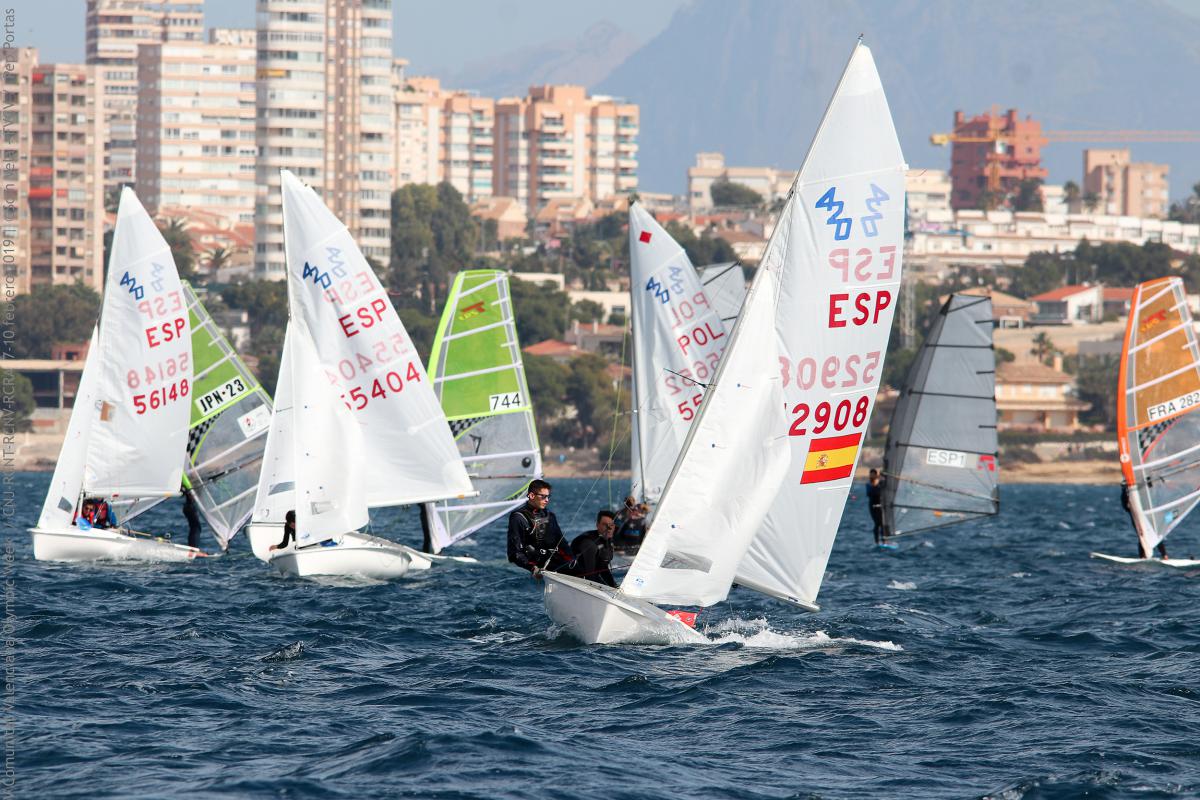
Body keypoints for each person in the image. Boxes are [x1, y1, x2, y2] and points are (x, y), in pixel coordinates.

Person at [507, 479, 573, 579]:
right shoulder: (518, 517)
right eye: (543, 496)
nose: (547, 500)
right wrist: (533, 568)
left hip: (555, 562)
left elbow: (562, 543)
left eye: (548, 496)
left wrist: (572, 561)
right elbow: (514, 553)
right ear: (532, 496)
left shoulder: (550, 516)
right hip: (536, 566)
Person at [571, 510, 617, 587]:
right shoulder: (589, 544)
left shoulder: (608, 541)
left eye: (611, 525)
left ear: (614, 527)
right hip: (573, 580)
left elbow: (603, 569)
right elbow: (589, 575)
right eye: (605, 525)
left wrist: (614, 586)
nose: (609, 528)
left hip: (590, 578)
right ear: (597, 525)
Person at [1122, 481, 1167, 559]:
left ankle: (1164, 555)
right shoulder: (1125, 494)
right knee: (1142, 536)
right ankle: (1142, 557)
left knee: (1154, 534)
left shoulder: (1140, 491)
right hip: (1137, 518)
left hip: (1147, 516)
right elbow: (1126, 507)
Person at [181, 478, 202, 549]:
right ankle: (193, 548)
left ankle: (192, 547)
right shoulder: (189, 484)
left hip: (188, 506)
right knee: (196, 527)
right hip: (190, 507)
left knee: (195, 527)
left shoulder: (191, 482)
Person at [866, 469, 886, 544]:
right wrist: (876, 483)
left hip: (880, 506)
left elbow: (885, 481)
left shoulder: (880, 482)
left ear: (876, 475)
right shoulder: (868, 484)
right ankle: (876, 541)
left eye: (873, 474)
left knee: (882, 524)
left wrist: (882, 474)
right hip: (872, 506)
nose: (872, 475)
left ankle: (884, 540)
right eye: (871, 474)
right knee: (877, 523)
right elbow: (869, 493)